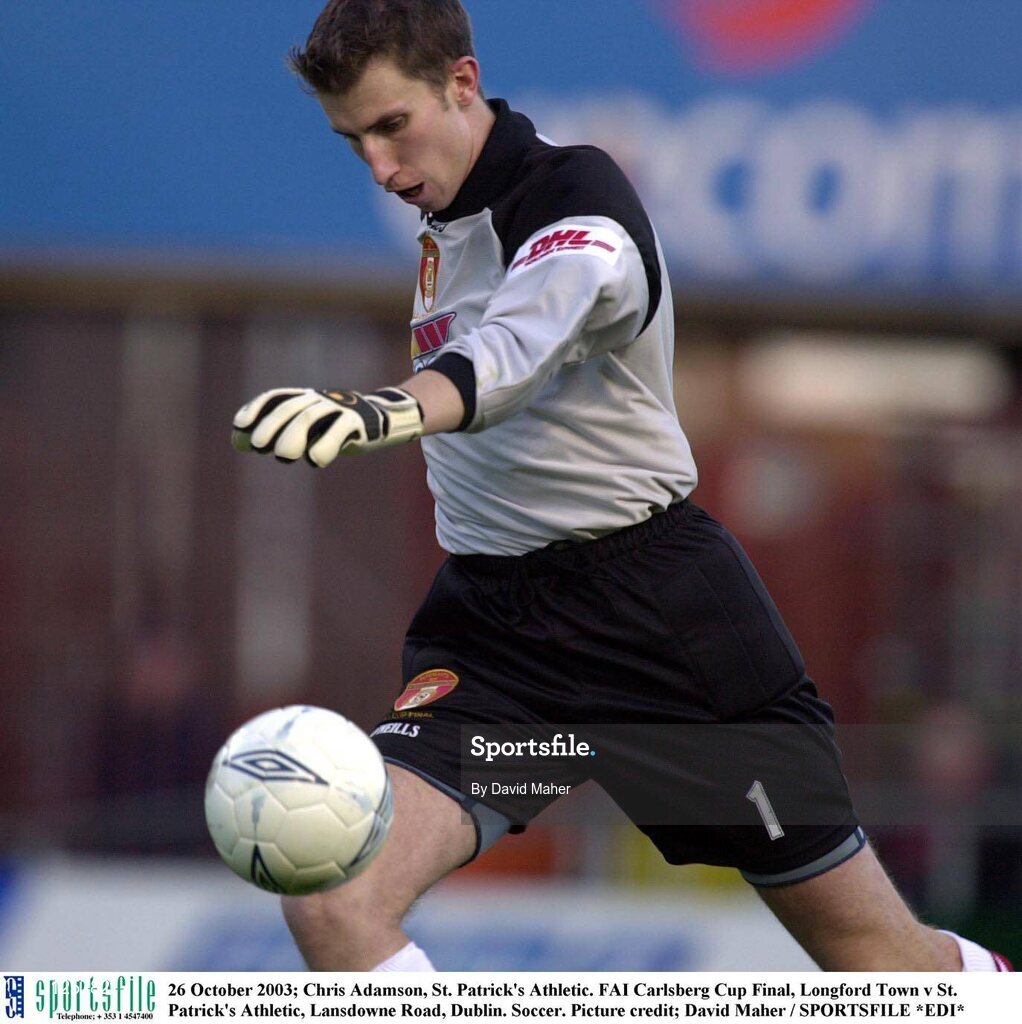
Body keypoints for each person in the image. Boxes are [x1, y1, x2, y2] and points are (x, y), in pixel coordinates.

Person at [231, 0, 1012, 974]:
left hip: (664, 638)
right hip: (504, 664)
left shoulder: (575, 194)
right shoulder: (442, 215)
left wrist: (377, 412)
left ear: (461, 84)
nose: (380, 166)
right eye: (354, 141)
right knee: (335, 903)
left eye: (393, 125)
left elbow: (509, 355)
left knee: (874, 961)